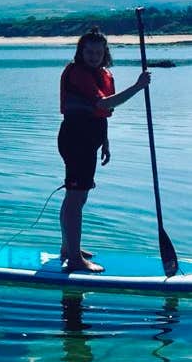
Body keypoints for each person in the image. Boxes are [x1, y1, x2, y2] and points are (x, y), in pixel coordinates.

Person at [58, 28, 150, 272]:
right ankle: (75, 260)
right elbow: (103, 103)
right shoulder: (78, 73)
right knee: (76, 198)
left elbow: (101, 114)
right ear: (81, 51)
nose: (93, 56)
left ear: (104, 53)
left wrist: (105, 140)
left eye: (98, 52)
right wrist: (138, 87)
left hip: (89, 139)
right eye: (89, 51)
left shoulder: (103, 74)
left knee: (77, 196)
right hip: (76, 139)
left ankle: (68, 248)